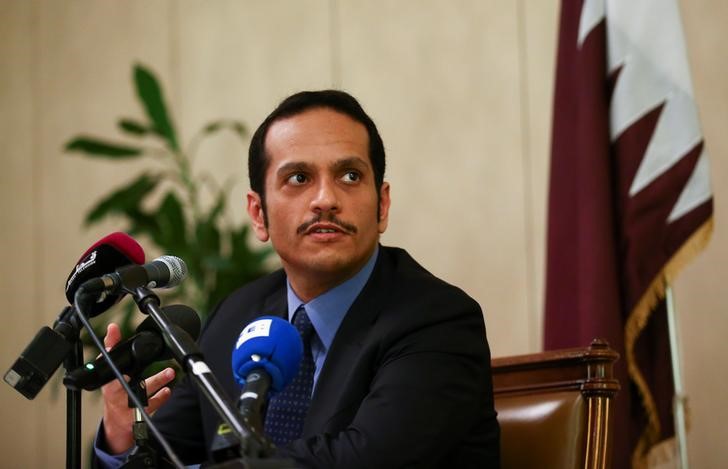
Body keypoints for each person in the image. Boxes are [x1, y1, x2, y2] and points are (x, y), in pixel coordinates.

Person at [95, 90, 500, 468]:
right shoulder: (236, 317)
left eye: (350, 176)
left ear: (382, 206)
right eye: (299, 179)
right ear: (259, 214)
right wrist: (121, 435)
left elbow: (362, 458)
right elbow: (168, 450)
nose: (326, 198)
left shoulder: (436, 321)